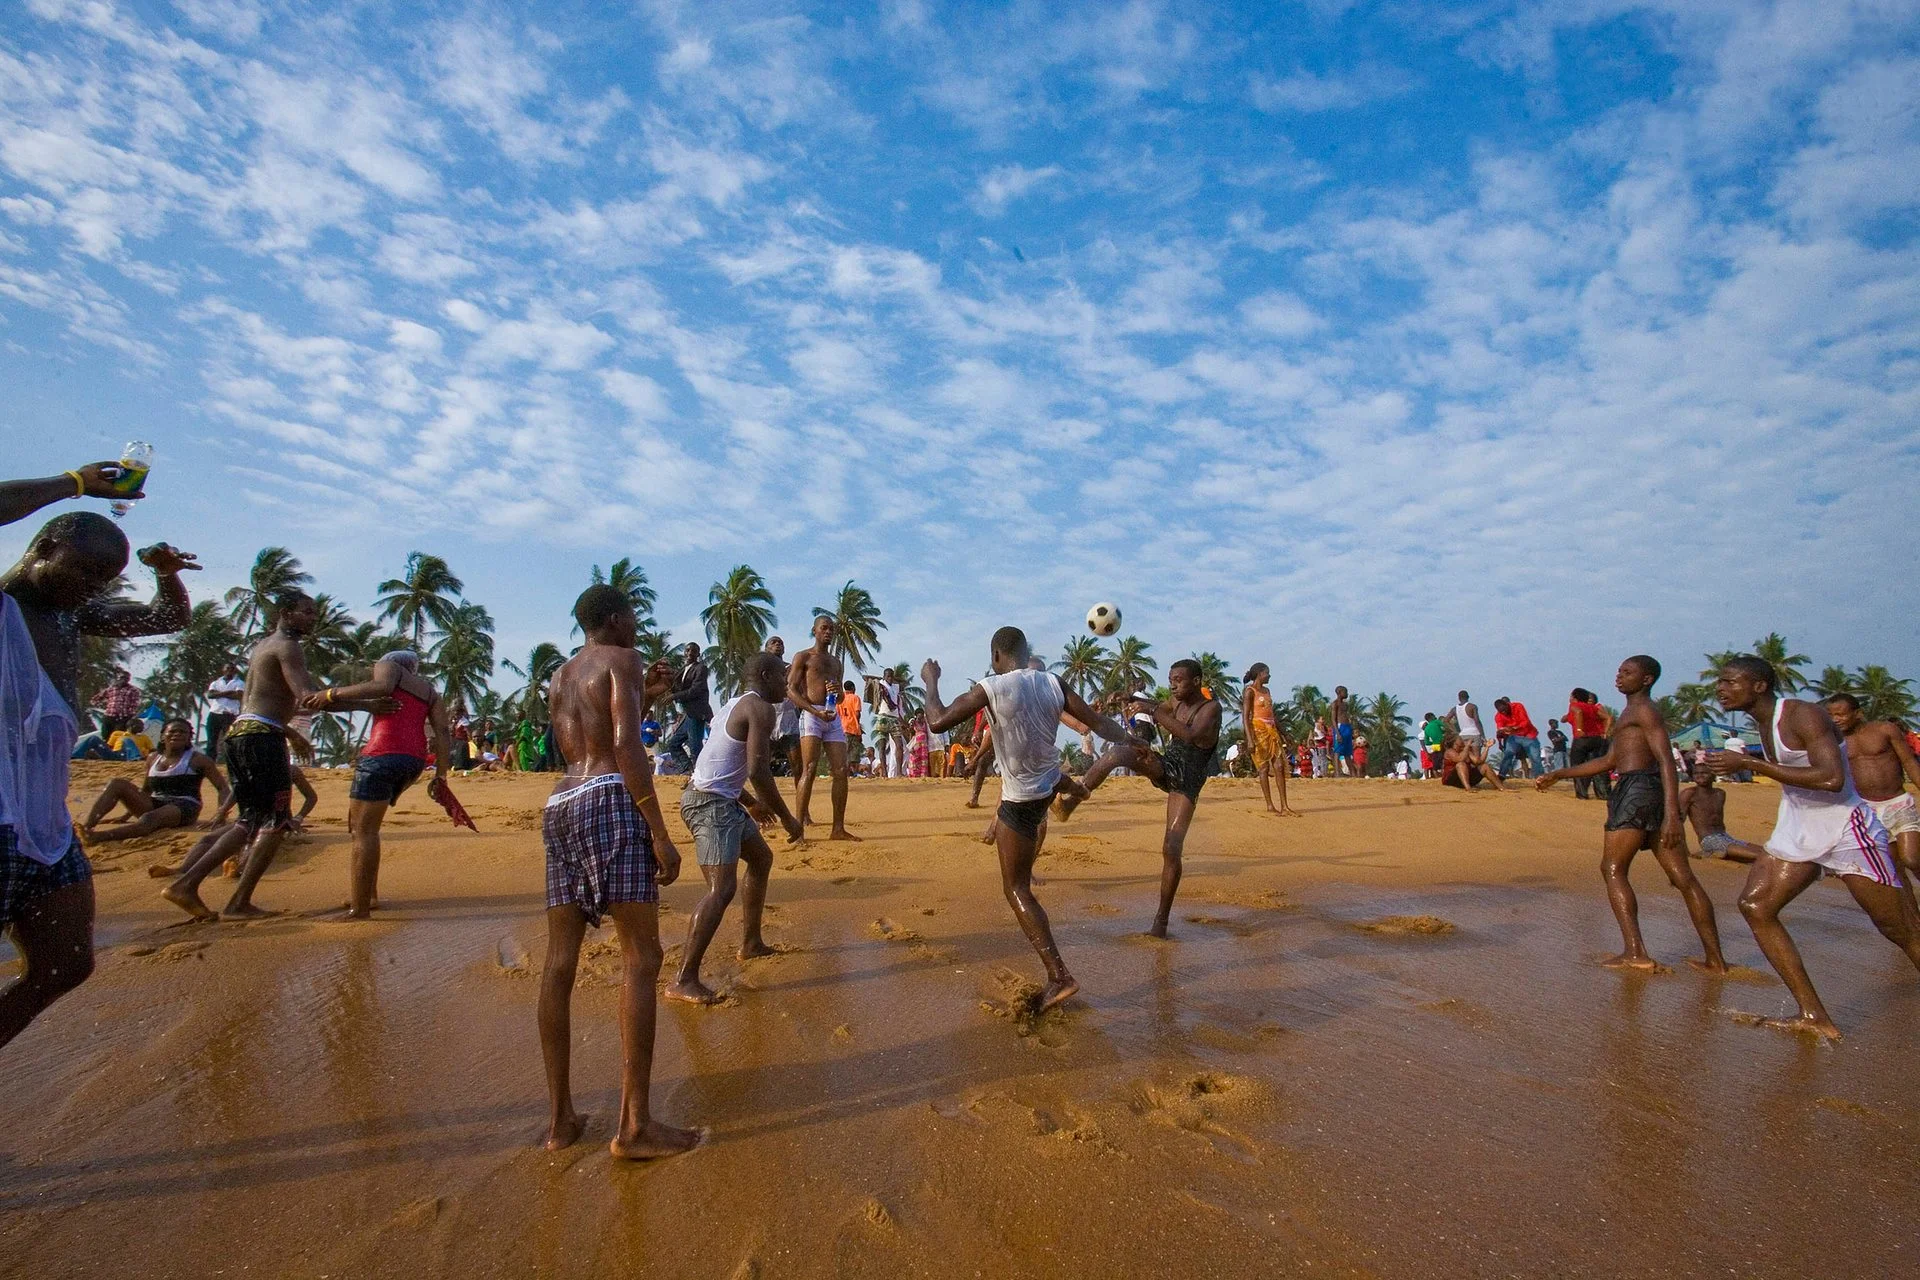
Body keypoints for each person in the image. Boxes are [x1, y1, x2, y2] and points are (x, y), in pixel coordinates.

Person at [1, 463, 193, 1049]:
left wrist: (165, 576)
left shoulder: (70, 615)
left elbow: (169, 619)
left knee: (66, 965)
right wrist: (74, 482)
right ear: (45, 546)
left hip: (47, 827)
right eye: (83, 571)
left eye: (102, 580)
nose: (89, 588)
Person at [538, 585, 698, 1157]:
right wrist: (659, 832)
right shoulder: (622, 659)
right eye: (633, 614)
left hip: (562, 800)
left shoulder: (560, 675)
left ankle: (561, 1120)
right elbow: (626, 745)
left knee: (559, 963)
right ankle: (635, 1126)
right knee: (641, 957)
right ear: (613, 619)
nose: (638, 624)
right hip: (610, 796)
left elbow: (588, 736)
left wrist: (648, 695)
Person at [1701, 656, 1920, 1039]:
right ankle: (1814, 1015)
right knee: (1756, 906)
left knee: (1902, 931)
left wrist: (1752, 765)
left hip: (1847, 828)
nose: (1721, 689)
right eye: (1720, 681)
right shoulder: (1762, 723)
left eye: (1729, 682)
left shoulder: (1803, 715)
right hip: (1799, 825)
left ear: (1759, 686)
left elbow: (1833, 778)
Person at [922, 628, 1134, 1011]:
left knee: (1016, 889)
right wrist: (1130, 740)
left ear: (998, 656)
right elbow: (1097, 722)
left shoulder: (993, 686)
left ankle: (1059, 976)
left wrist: (931, 681)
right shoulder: (1054, 682)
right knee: (1051, 783)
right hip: (1046, 786)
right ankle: (1075, 790)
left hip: (1020, 800)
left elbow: (937, 722)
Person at [163, 591, 383, 921]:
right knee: (275, 821)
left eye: (314, 612)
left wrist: (291, 731)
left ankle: (192, 885)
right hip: (262, 737)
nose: (313, 618)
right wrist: (366, 704)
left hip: (242, 733)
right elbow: (307, 698)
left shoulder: (263, 646)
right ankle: (228, 897)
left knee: (248, 820)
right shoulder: (288, 647)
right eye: (306, 612)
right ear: (285, 612)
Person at [1536, 656, 1725, 973]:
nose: (1619, 677)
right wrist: (1562, 773)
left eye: (1628, 672)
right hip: (1646, 790)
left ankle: (1635, 952)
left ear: (1647, 679)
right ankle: (1716, 961)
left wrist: (1672, 815)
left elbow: (1666, 760)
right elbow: (1610, 759)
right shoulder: (1628, 713)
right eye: (1619, 672)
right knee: (1683, 879)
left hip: (1636, 791)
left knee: (1612, 869)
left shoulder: (1644, 711)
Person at [667, 651, 802, 1006]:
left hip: (721, 799)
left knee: (760, 858)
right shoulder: (759, 708)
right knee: (721, 889)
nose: (787, 685)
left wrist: (749, 803)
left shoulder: (734, 704)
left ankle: (751, 943)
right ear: (763, 675)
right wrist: (788, 819)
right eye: (783, 678)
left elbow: (716, 764)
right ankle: (683, 978)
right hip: (709, 805)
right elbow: (758, 771)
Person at [1058, 658, 1222, 938]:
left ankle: (1161, 922)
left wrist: (1153, 710)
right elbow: (1162, 711)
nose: (1173, 684)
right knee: (1116, 754)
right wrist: (1129, 697)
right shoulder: (1176, 701)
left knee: (1171, 848)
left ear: (1196, 682)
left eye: (1179, 680)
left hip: (1188, 780)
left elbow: (1190, 734)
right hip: (1167, 764)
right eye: (1171, 679)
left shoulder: (1210, 708)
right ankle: (1073, 799)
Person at [301, 650, 451, 918]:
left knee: (363, 831)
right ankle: (367, 894)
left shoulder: (388, 667)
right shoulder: (429, 692)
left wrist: (330, 693)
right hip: (412, 761)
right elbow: (442, 731)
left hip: (381, 755)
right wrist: (441, 774)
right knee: (361, 826)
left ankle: (360, 909)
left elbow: (381, 685)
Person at [80, 717, 228, 844]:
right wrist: (126, 815)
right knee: (116, 784)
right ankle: (87, 827)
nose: (177, 734)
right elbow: (146, 790)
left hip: (185, 806)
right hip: (155, 802)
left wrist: (220, 814)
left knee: (149, 818)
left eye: (183, 732)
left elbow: (222, 787)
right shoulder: (153, 758)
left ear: (189, 737)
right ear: (163, 736)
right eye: (172, 731)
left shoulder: (199, 760)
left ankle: (99, 837)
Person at [1824, 693, 1920, 877]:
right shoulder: (1835, 742)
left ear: (1858, 713)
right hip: (1867, 809)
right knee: (1893, 869)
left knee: (1912, 859)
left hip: (1897, 803)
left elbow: (1909, 762)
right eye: (1831, 715)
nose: (1835, 720)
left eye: (1841, 714)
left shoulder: (1885, 730)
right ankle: (1909, 907)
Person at [789, 615, 856, 840]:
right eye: (824, 628)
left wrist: (838, 693)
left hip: (832, 716)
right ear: (815, 631)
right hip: (812, 715)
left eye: (831, 629)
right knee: (809, 768)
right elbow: (790, 689)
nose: (828, 632)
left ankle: (838, 828)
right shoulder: (804, 657)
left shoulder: (836, 662)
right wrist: (813, 710)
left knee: (840, 770)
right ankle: (798, 829)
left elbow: (838, 699)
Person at [1678, 766, 1766, 862]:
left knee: (1768, 852)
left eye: (1704, 773)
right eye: (1696, 773)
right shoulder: (1689, 794)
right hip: (1709, 840)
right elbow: (1678, 822)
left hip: (1726, 837)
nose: (1700, 776)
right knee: (1761, 857)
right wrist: (1685, 851)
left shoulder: (1720, 793)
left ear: (1713, 774)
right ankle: (1712, 851)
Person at [1565, 688, 1613, 800]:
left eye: (1571, 696)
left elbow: (1578, 712)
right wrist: (1605, 732)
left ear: (1574, 697)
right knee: (1598, 766)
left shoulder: (1574, 705)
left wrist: (1579, 729)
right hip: (1596, 739)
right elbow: (1607, 717)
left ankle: (1582, 794)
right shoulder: (1593, 707)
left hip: (1582, 739)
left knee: (1578, 766)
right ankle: (1604, 794)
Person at [671, 642, 712, 765]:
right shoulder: (683, 669)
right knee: (674, 744)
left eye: (693, 651)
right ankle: (686, 770)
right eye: (687, 650)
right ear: (684, 652)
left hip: (697, 713)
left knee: (695, 748)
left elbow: (696, 690)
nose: (690, 653)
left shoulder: (701, 668)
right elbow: (675, 686)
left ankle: (700, 774)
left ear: (698, 654)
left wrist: (674, 696)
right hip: (688, 714)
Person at [1494, 697, 1543, 780]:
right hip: (1514, 737)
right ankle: (1501, 776)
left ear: (1507, 704)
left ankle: (1540, 778)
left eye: (1504, 710)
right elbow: (1500, 728)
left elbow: (1525, 722)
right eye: (1501, 711)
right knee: (1508, 754)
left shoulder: (1518, 706)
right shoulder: (1499, 716)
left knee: (1535, 757)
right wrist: (1501, 733)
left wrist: (1514, 728)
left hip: (1528, 735)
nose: (1504, 712)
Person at [205, 661, 244, 756]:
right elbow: (210, 695)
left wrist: (219, 694)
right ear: (223, 670)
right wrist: (228, 692)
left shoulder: (240, 683)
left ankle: (230, 763)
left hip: (229, 715)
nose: (230, 670)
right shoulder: (216, 682)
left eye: (232, 669)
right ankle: (210, 762)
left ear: (235, 671)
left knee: (230, 740)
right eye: (227, 668)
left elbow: (238, 695)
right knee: (211, 741)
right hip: (215, 714)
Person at [89, 668, 142, 735]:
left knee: (117, 735)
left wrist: (130, 715)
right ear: (118, 678)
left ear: (128, 680)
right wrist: (96, 702)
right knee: (105, 734)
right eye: (121, 678)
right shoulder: (112, 688)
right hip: (109, 715)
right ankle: (105, 744)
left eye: (126, 678)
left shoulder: (133, 690)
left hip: (123, 717)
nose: (123, 680)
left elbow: (135, 704)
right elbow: (97, 698)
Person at [873, 671, 905, 777]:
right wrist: (881, 678)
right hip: (883, 717)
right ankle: (884, 774)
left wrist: (894, 679)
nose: (890, 679)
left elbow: (904, 682)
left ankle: (899, 772)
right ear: (884, 677)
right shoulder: (881, 684)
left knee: (899, 745)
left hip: (894, 718)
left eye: (892, 677)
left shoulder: (895, 687)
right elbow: (866, 678)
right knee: (882, 746)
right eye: (888, 676)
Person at [1444, 691, 1486, 756]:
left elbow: (1446, 720)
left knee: (1466, 757)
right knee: (1476, 758)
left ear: (1459, 698)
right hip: (1474, 734)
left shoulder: (1455, 709)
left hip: (1463, 735)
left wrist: (1454, 730)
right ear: (1468, 697)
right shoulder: (1472, 706)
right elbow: (1477, 721)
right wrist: (1483, 736)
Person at [837, 679, 864, 773]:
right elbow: (857, 714)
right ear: (853, 688)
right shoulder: (855, 698)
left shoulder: (840, 698)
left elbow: (838, 714)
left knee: (845, 751)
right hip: (853, 727)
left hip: (843, 727)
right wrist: (858, 725)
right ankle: (852, 772)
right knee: (854, 753)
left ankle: (844, 771)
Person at [1330, 686, 1355, 778]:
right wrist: (1337, 733)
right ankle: (1337, 773)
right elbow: (1333, 719)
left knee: (1347, 752)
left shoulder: (1345, 705)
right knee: (1338, 751)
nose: (1347, 694)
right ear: (1339, 693)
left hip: (1347, 727)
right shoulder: (1335, 704)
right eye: (1345, 692)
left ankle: (1352, 773)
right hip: (1340, 727)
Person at [1420, 712, 1445, 779]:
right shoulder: (1436, 722)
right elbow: (1445, 726)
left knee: (1436, 762)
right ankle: (1444, 776)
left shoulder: (1427, 729)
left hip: (1434, 745)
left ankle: (1437, 778)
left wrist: (1433, 742)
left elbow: (1427, 742)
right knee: (1443, 760)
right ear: (1431, 717)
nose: (1435, 716)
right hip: (1442, 743)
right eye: (1434, 715)